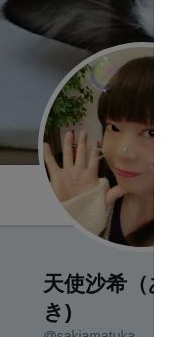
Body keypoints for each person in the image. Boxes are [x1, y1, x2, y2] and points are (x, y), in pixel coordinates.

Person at [45, 56, 154, 247]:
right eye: (114, 127)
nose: (122, 152)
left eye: (151, 133)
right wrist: (74, 215)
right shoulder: (98, 201)